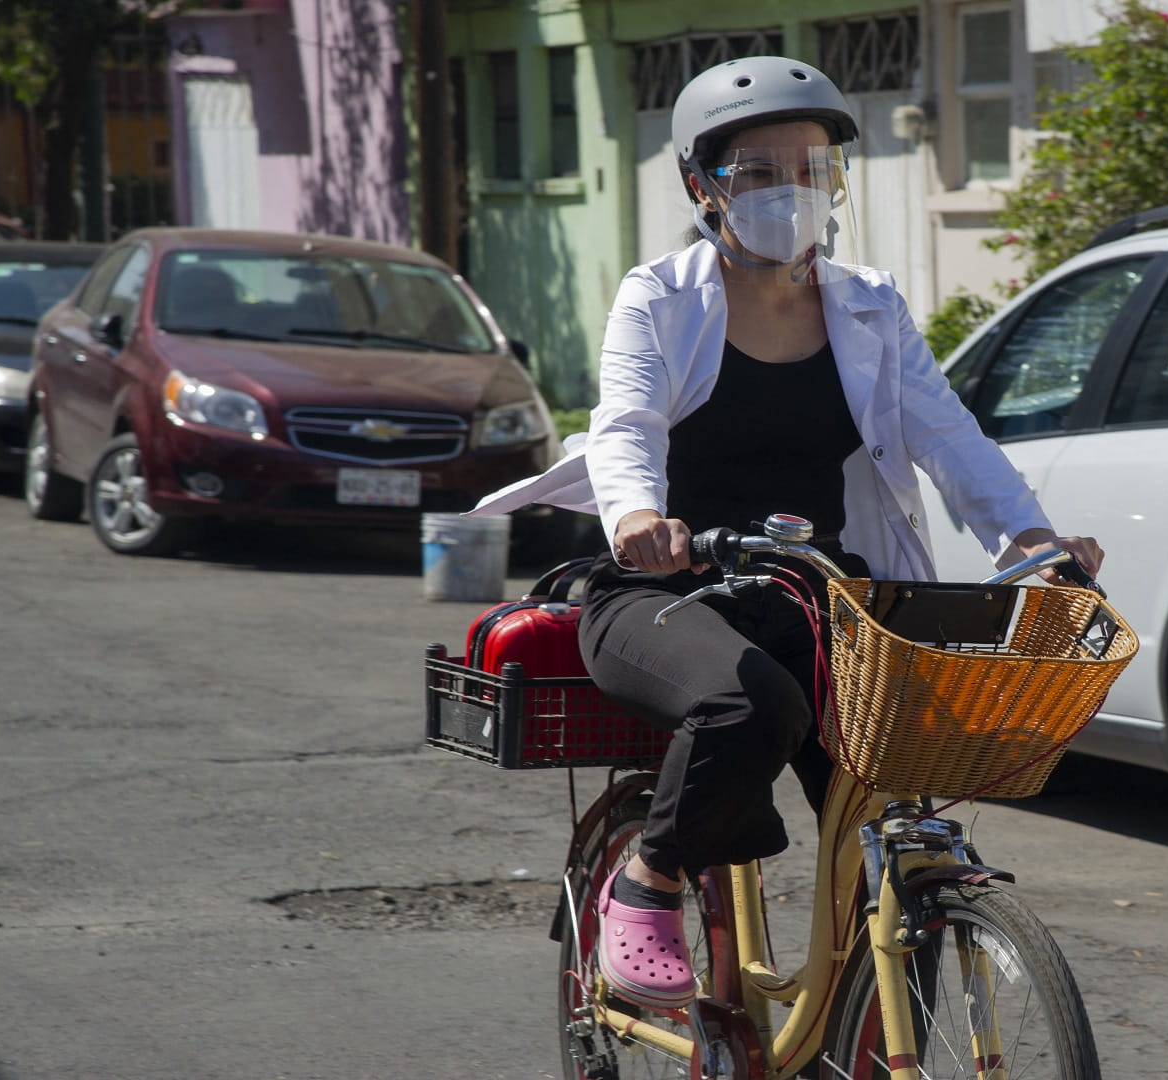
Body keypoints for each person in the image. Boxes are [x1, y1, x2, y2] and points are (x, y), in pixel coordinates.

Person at [468, 55, 1102, 1011]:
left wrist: (1033, 539)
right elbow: (627, 426)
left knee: (894, 813)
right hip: (666, 592)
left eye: (810, 168)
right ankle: (650, 881)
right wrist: (638, 517)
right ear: (703, 186)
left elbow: (948, 435)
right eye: (757, 171)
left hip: (821, 593)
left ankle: (860, 1030)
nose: (789, 191)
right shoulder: (660, 297)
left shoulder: (871, 304)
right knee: (749, 707)